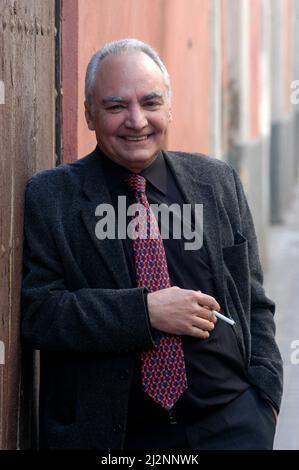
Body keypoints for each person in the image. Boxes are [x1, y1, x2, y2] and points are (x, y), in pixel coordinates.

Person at [21, 38, 283, 450]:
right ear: (89, 114)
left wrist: (265, 399)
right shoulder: (53, 197)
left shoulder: (217, 182)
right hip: (120, 438)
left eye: (151, 102)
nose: (137, 120)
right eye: (115, 106)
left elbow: (253, 301)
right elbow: (41, 313)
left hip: (231, 425)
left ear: (169, 108)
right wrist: (144, 312)